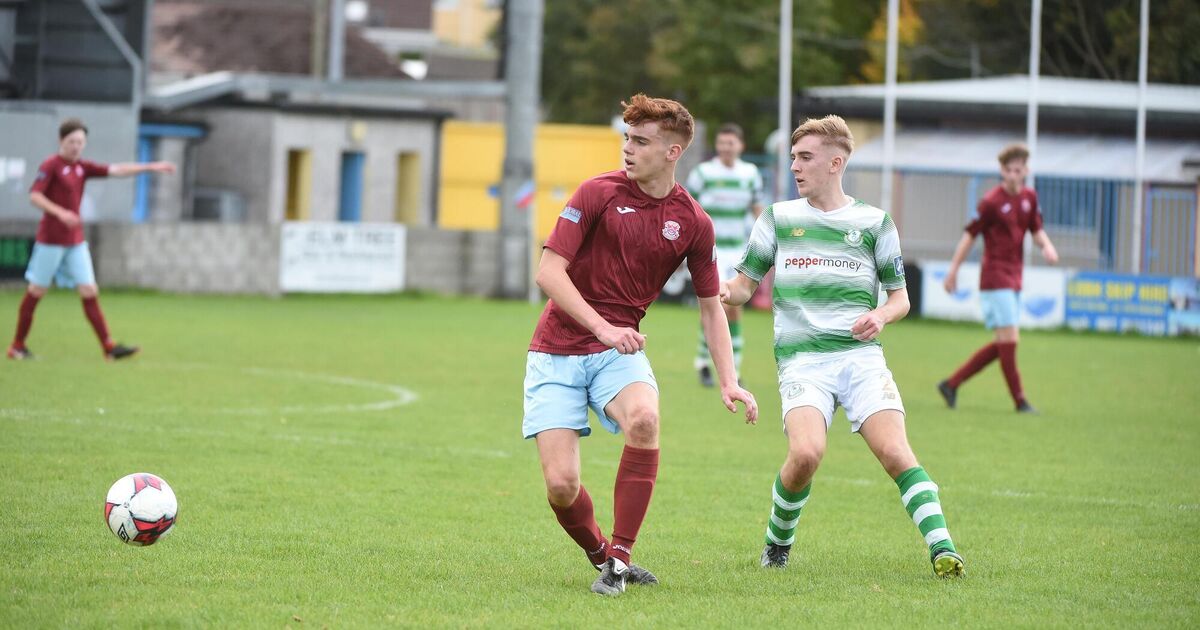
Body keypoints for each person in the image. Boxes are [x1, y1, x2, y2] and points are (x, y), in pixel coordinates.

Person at [524, 94, 758, 596]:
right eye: (627, 138)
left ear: (673, 152)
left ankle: (620, 561)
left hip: (618, 352)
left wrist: (730, 380)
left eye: (641, 141)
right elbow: (548, 272)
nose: (628, 148)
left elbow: (711, 306)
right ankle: (600, 552)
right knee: (561, 486)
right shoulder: (596, 192)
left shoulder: (693, 222)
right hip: (556, 350)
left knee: (646, 420)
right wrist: (603, 328)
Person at [721, 115, 965, 578]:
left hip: (860, 358)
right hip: (802, 361)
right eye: (793, 157)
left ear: (836, 163)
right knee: (806, 454)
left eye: (805, 157)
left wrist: (881, 315)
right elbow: (743, 287)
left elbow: (900, 299)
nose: (795, 166)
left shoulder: (875, 223)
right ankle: (778, 543)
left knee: (896, 453)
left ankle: (943, 549)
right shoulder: (778, 218)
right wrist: (719, 289)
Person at [7, 118, 176, 361]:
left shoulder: (82, 168)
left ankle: (109, 348)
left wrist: (150, 166)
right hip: (51, 241)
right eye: (72, 141)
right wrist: (61, 213)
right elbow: (35, 195)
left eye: (80, 142)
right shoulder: (51, 165)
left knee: (89, 289)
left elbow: (117, 170)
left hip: (75, 241)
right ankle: (17, 346)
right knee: (36, 290)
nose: (76, 146)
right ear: (61, 140)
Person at [937, 143, 1058, 413]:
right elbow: (969, 236)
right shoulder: (991, 202)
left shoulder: (1030, 197)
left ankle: (951, 384)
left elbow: (1036, 229)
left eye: (1019, 170)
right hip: (994, 277)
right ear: (1002, 171)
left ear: (1026, 170)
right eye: (1009, 170)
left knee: (1005, 343)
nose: (1014, 175)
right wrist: (953, 270)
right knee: (1010, 339)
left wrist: (1047, 246)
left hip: (1014, 277)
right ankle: (1020, 401)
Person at [685, 123, 764, 387]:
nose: (725, 148)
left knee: (734, 310)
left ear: (740, 146)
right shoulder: (703, 173)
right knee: (714, 305)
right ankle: (705, 363)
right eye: (721, 143)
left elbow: (757, 210)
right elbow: (688, 209)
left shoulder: (750, 174)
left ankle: (733, 369)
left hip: (738, 252)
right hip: (710, 251)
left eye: (730, 143)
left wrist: (766, 243)